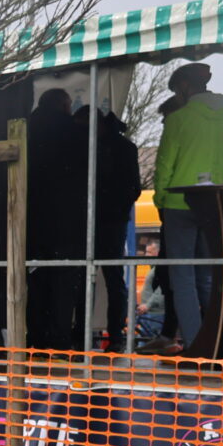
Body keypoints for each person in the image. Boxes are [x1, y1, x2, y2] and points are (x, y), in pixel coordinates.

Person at [144, 62, 223, 355]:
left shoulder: (179, 120)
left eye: (176, 90)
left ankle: (197, 346)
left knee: (182, 278)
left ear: (184, 87)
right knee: (207, 278)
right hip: (212, 206)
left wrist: (160, 201)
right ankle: (217, 342)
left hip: (178, 204)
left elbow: (164, 167)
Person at [24, 87, 86, 350]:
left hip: (32, 217)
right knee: (64, 282)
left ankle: (36, 337)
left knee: (36, 279)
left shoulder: (27, 129)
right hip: (67, 220)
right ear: (64, 106)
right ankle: (59, 339)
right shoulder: (75, 132)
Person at [79, 105, 143, 351]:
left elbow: (132, 188)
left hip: (104, 220)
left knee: (90, 279)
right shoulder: (124, 146)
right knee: (110, 279)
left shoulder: (104, 147)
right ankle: (113, 336)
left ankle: (97, 335)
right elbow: (134, 188)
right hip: (111, 219)